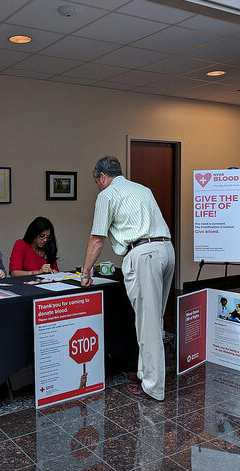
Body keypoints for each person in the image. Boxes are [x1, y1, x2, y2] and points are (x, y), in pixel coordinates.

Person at [80, 156, 175, 401]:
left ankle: (153, 387)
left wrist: (86, 272)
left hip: (144, 254)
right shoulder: (143, 189)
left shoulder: (107, 195)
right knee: (153, 318)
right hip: (166, 250)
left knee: (148, 323)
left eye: (97, 182)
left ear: (102, 176)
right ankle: (145, 372)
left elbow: (97, 238)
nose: (98, 186)